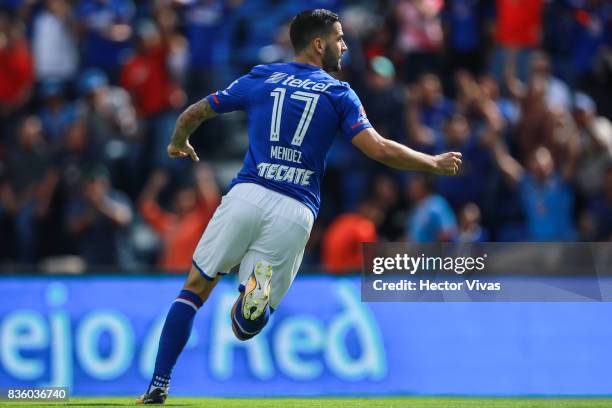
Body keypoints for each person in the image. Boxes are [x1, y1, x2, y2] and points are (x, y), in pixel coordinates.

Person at [136, 9, 462, 404]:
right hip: (296, 210)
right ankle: (251, 298)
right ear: (318, 43)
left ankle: (158, 384)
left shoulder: (262, 76)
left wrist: (178, 141)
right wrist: (431, 162)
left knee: (194, 290)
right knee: (245, 328)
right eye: (339, 38)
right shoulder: (339, 93)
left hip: (248, 194)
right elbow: (377, 148)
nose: (345, 46)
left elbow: (194, 112)